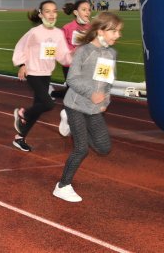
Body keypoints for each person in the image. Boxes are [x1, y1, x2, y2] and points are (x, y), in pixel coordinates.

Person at [53, 12, 122, 202]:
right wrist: (91, 94)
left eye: (119, 32)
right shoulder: (84, 51)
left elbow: (108, 80)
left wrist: (104, 101)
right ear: (101, 31)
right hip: (75, 104)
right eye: (114, 31)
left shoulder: (111, 53)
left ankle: (69, 125)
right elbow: (72, 78)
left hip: (94, 108)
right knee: (81, 149)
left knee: (104, 147)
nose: (118, 35)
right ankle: (63, 186)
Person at [12, 0, 71, 151]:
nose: (52, 14)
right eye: (48, 11)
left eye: (54, 11)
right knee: (48, 104)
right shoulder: (34, 32)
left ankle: (20, 138)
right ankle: (22, 113)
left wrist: (75, 57)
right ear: (41, 14)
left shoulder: (58, 33)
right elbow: (20, 48)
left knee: (38, 108)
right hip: (32, 72)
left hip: (46, 74)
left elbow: (63, 55)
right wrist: (22, 65)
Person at [52, 0, 92, 136]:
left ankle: (68, 114)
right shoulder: (68, 28)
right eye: (84, 9)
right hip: (71, 65)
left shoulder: (91, 28)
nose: (88, 12)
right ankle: (67, 116)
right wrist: (73, 51)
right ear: (76, 12)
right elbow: (60, 48)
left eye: (89, 9)